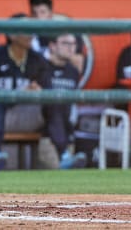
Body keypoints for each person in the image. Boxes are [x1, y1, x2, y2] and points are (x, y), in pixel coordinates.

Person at [0, 14, 52, 170]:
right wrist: (19, 92)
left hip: (24, 113)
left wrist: (37, 91)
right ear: (12, 34)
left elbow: (47, 90)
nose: (31, 35)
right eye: (26, 30)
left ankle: (63, 154)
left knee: (54, 104)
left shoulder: (38, 60)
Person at [44, 34, 87, 169]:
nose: (70, 48)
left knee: (66, 104)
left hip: (62, 120)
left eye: (73, 45)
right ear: (52, 46)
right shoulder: (41, 66)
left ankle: (66, 155)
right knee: (55, 101)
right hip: (38, 113)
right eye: (65, 44)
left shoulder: (73, 71)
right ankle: (64, 154)